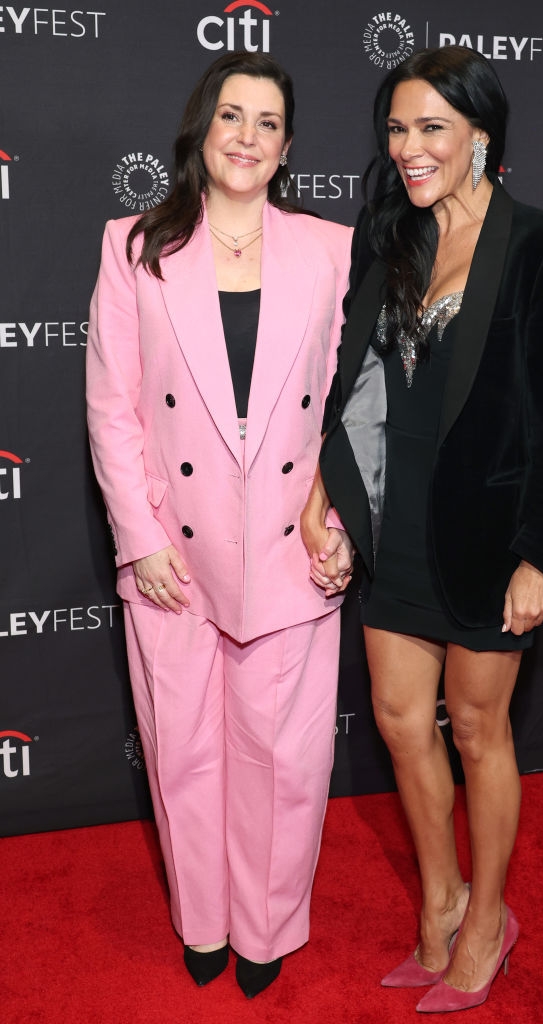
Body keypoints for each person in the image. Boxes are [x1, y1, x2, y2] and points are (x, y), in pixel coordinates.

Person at [301, 45, 543, 1013]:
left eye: (431, 127)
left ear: (479, 134)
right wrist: (322, 488)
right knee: (395, 720)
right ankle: (437, 902)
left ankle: (485, 919)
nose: (409, 148)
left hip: (487, 536)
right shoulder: (388, 235)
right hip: (397, 523)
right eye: (396, 128)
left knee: (476, 731)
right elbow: (350, 376)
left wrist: (538, 554)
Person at [86, 52, 352, 998]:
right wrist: (140, 539)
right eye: (231, 115)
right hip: (172, 553)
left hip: (288, 542)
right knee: (187, 749)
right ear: (203, 128)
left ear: (286, 147)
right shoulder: (136, 245)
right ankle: (203, 920)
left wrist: (338, 519)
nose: (247, 136)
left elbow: (347, 404)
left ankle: (267, 924)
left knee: (282, 758)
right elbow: (113, 408)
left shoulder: (329, 248)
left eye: (267, 122)